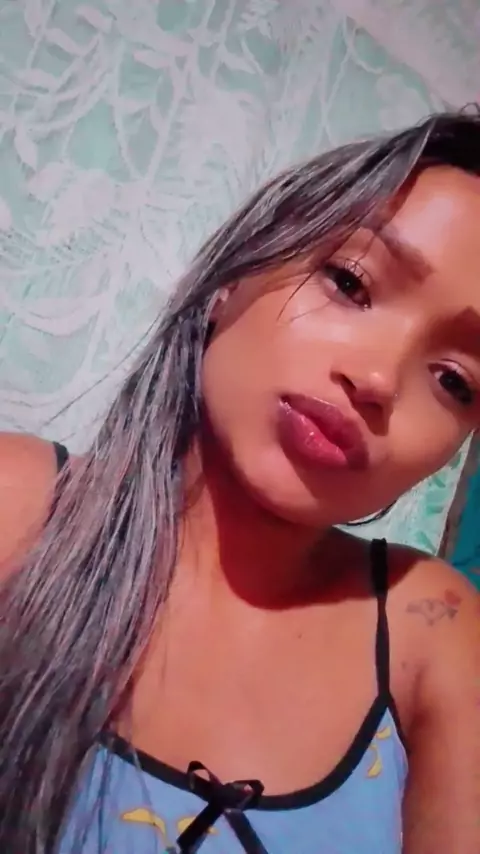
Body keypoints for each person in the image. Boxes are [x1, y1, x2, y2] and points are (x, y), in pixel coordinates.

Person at [0, 111, 479, 854]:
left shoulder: (433, 630)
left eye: (454, 380)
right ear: (235, 274)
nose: (379, 380)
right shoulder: (21, 503)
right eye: (350, 281)